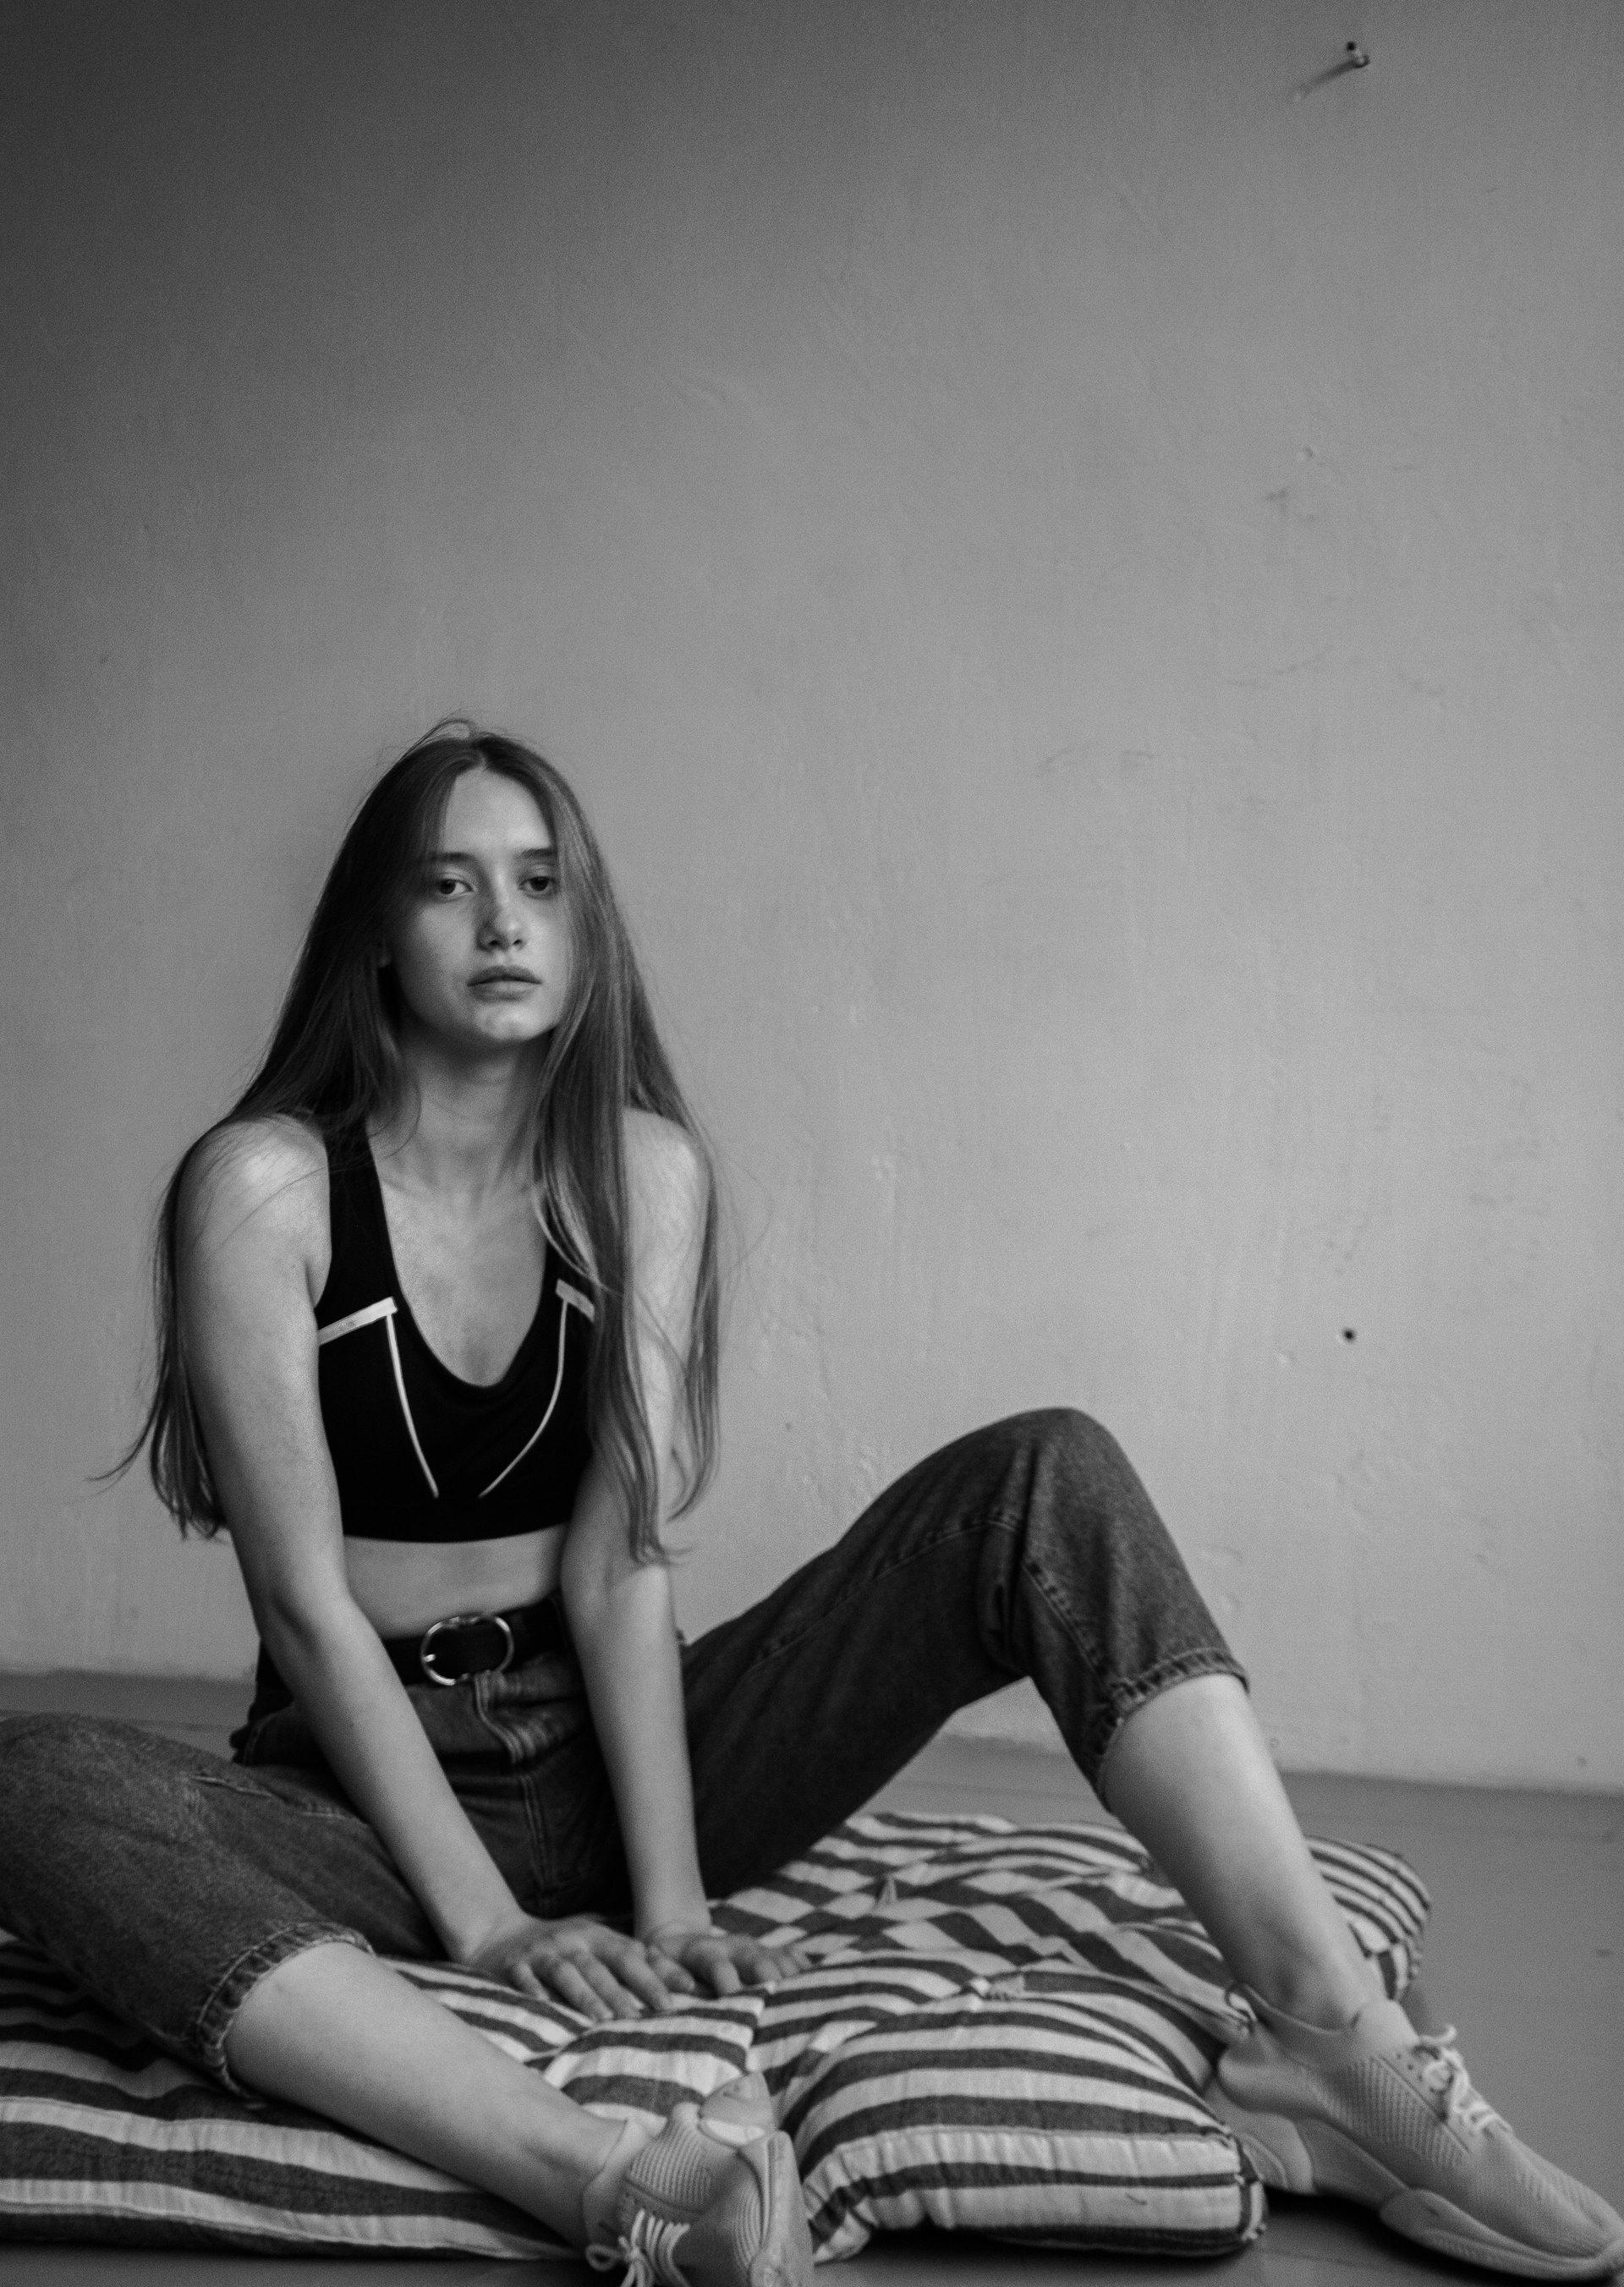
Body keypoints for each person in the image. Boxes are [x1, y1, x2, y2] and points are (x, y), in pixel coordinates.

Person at [0, 722, 1617, 2287]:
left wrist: (672, 1899)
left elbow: (620, 1565)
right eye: (448, 883)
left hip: (612, 1751)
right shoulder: (267, 1188)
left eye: (542, 883)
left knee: (1044, 1474)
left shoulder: (642, 1173)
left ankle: (1335, 2049)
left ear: (586, 925)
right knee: (36, 1779)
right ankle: (620, 2181)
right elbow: (304, 1608)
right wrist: (488, 1931)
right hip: (359, 1799)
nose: (503, 923)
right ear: (374, 927)